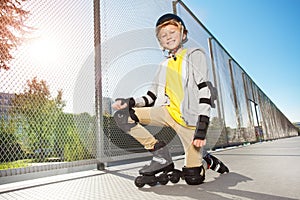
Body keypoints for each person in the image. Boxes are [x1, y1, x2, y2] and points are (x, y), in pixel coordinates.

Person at [112, 13, 228, 186]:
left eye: (172, 32)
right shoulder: (163, 65)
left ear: (183, 33)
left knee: (193, 178)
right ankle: (160, 154)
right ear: (160, 43)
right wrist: (129, 102)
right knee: (123, 116)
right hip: (166, 112)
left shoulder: (195, 55)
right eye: (163, 36)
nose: (168, 37)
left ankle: (206, 161)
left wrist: (202, 127)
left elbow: (204, 90)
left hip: (189, 122)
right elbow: (151, 97)